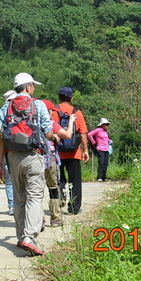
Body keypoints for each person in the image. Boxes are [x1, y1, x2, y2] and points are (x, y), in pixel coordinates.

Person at [0, 73, 53, 256]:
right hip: (33, 155)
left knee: (19, 198)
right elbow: (48, 130)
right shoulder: (38, 105)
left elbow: (1, 138)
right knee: (35, 196)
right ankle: (30, 236)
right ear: (28, 87)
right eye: (33, 85)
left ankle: (21, 237)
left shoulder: (6, 107)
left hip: (13, 157)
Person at [39, 97, 77, 227]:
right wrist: (71, 121)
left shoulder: (31, 123)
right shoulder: (50, 123)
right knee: (53, 188)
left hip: (35, 159)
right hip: (50, 160)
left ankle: (39, 220)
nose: (52, 113)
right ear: (46, 111)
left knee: (36, 191)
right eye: (51, 111)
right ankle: (55, 218)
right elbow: (67, 135)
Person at [56, 86, 90, 215]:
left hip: (58, 152)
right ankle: (74, 207)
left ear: (59, 97)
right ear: (71, 98)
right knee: (74, 180)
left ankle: (61, 199)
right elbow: (83, 133)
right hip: (74, 152)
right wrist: (85, 150)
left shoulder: (54, 111)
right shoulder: (76, 112)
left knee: (59, 178)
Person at [0, 90, 16, 216]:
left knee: (9, 182)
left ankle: (12, 207)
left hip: (7, 150)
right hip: (23, 150)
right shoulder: (24, 106)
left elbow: (1, 132)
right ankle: (22, 205)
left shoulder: (3, 110)